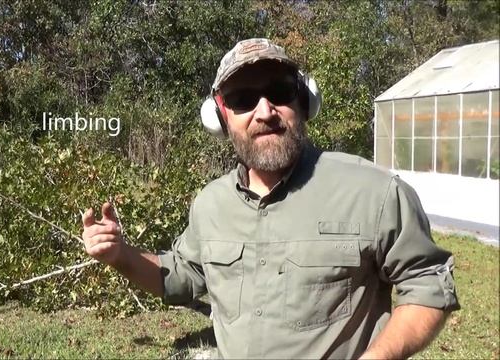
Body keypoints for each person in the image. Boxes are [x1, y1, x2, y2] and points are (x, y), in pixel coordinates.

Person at [81, 38, 460, 359]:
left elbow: (428, 284)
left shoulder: (373, 192)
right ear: (220, 114)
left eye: (279, 91)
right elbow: (181, 276)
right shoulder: (210, 204)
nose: (265, 111)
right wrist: (121, 255)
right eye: (244, 99)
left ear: (304, 100)